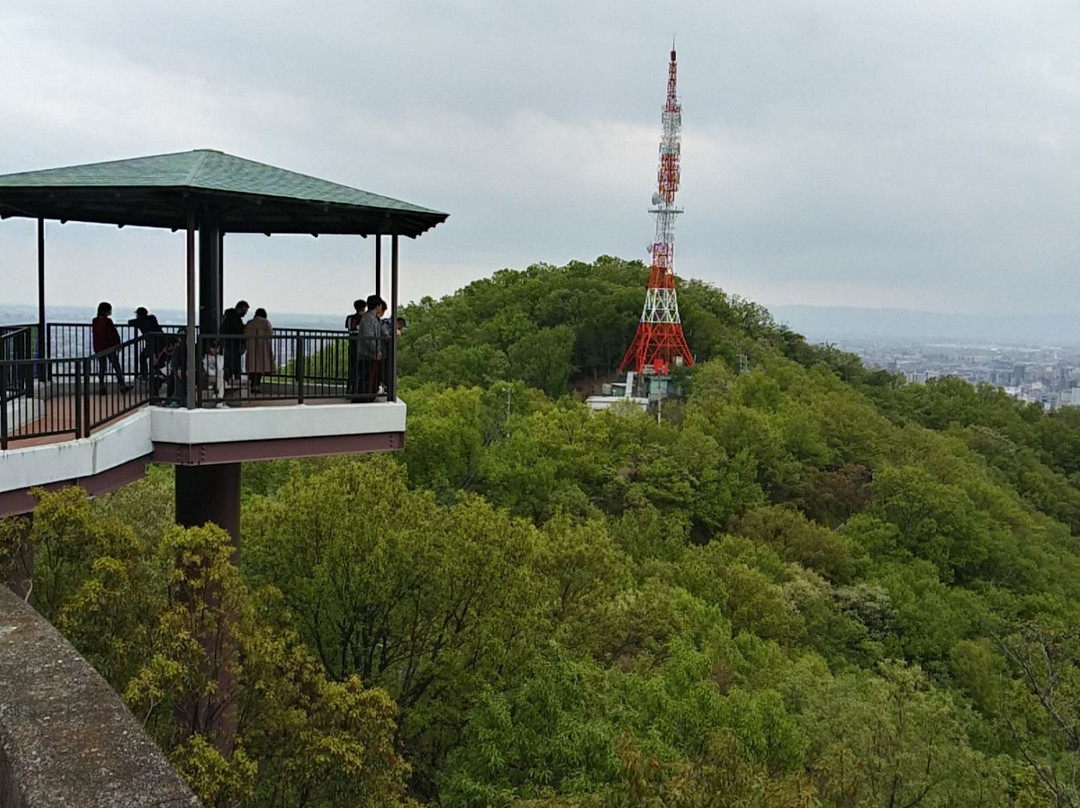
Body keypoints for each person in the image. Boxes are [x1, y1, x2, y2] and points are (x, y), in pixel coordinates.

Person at [91, 302, 131, 395]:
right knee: (116, 366)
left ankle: (102, 386)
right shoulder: (108, 322)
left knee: (102, 367)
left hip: (99, 348)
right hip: (109, 348)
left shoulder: (95, 321)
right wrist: (117, 345)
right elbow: (112, 334)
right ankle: (122, 385)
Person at [357, 294, 385, 398]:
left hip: (368, 355)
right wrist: (377, 350)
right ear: (377, 306)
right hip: (367, 356)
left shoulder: (370, 318)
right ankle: (364, 399)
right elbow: (369, 338)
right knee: (367, 380)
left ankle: (365, 397)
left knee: (367, 379)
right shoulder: (369, 319)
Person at [244, 308, 275, 394]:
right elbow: (270, 333)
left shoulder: (250, 323)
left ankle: (252, 385)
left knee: (252, 367)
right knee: (260, 368)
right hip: (263, 347)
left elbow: (245, 334)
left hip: (251, 347)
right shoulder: (265, 322)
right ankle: (256, 386)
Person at [128, 306, 163, 380]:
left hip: (151, 343)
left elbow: (130, 322)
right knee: (160, 358)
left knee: (143, 356)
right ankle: (159, 374)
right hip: (161, 341)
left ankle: (144, 375)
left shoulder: (140, 321)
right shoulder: (152, 318)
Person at [220, 300, 249, 384]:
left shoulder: (229, 316)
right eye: (245, 310)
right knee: (234, 361)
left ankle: (229, 379)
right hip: (234, 343)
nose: (245, 313)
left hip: (229, 343)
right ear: (241, 308)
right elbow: (237, 329)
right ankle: (234, 378)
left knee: (229, 361)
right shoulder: (234, 318)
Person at [346, 299, 366, 395]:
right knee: (359, 369)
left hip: (352, 344)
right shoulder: (363, 319)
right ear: (363, 308)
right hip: (360, 346)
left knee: (352, 368)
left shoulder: (349, 318)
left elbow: (349, 329)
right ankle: (355, 390)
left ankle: (349, 389)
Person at [203, 341, 227, 407]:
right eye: (213, 348)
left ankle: (218, 396)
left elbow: (220, 367)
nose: (215, 350)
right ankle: (220, 398)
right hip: (210, 376)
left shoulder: (220, 357)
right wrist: (213, 372)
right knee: (223, 382)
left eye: (216, 348)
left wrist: (216, 358)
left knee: (222, 376)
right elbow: (206, 369)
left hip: (218, 376)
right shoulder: (206, 357)